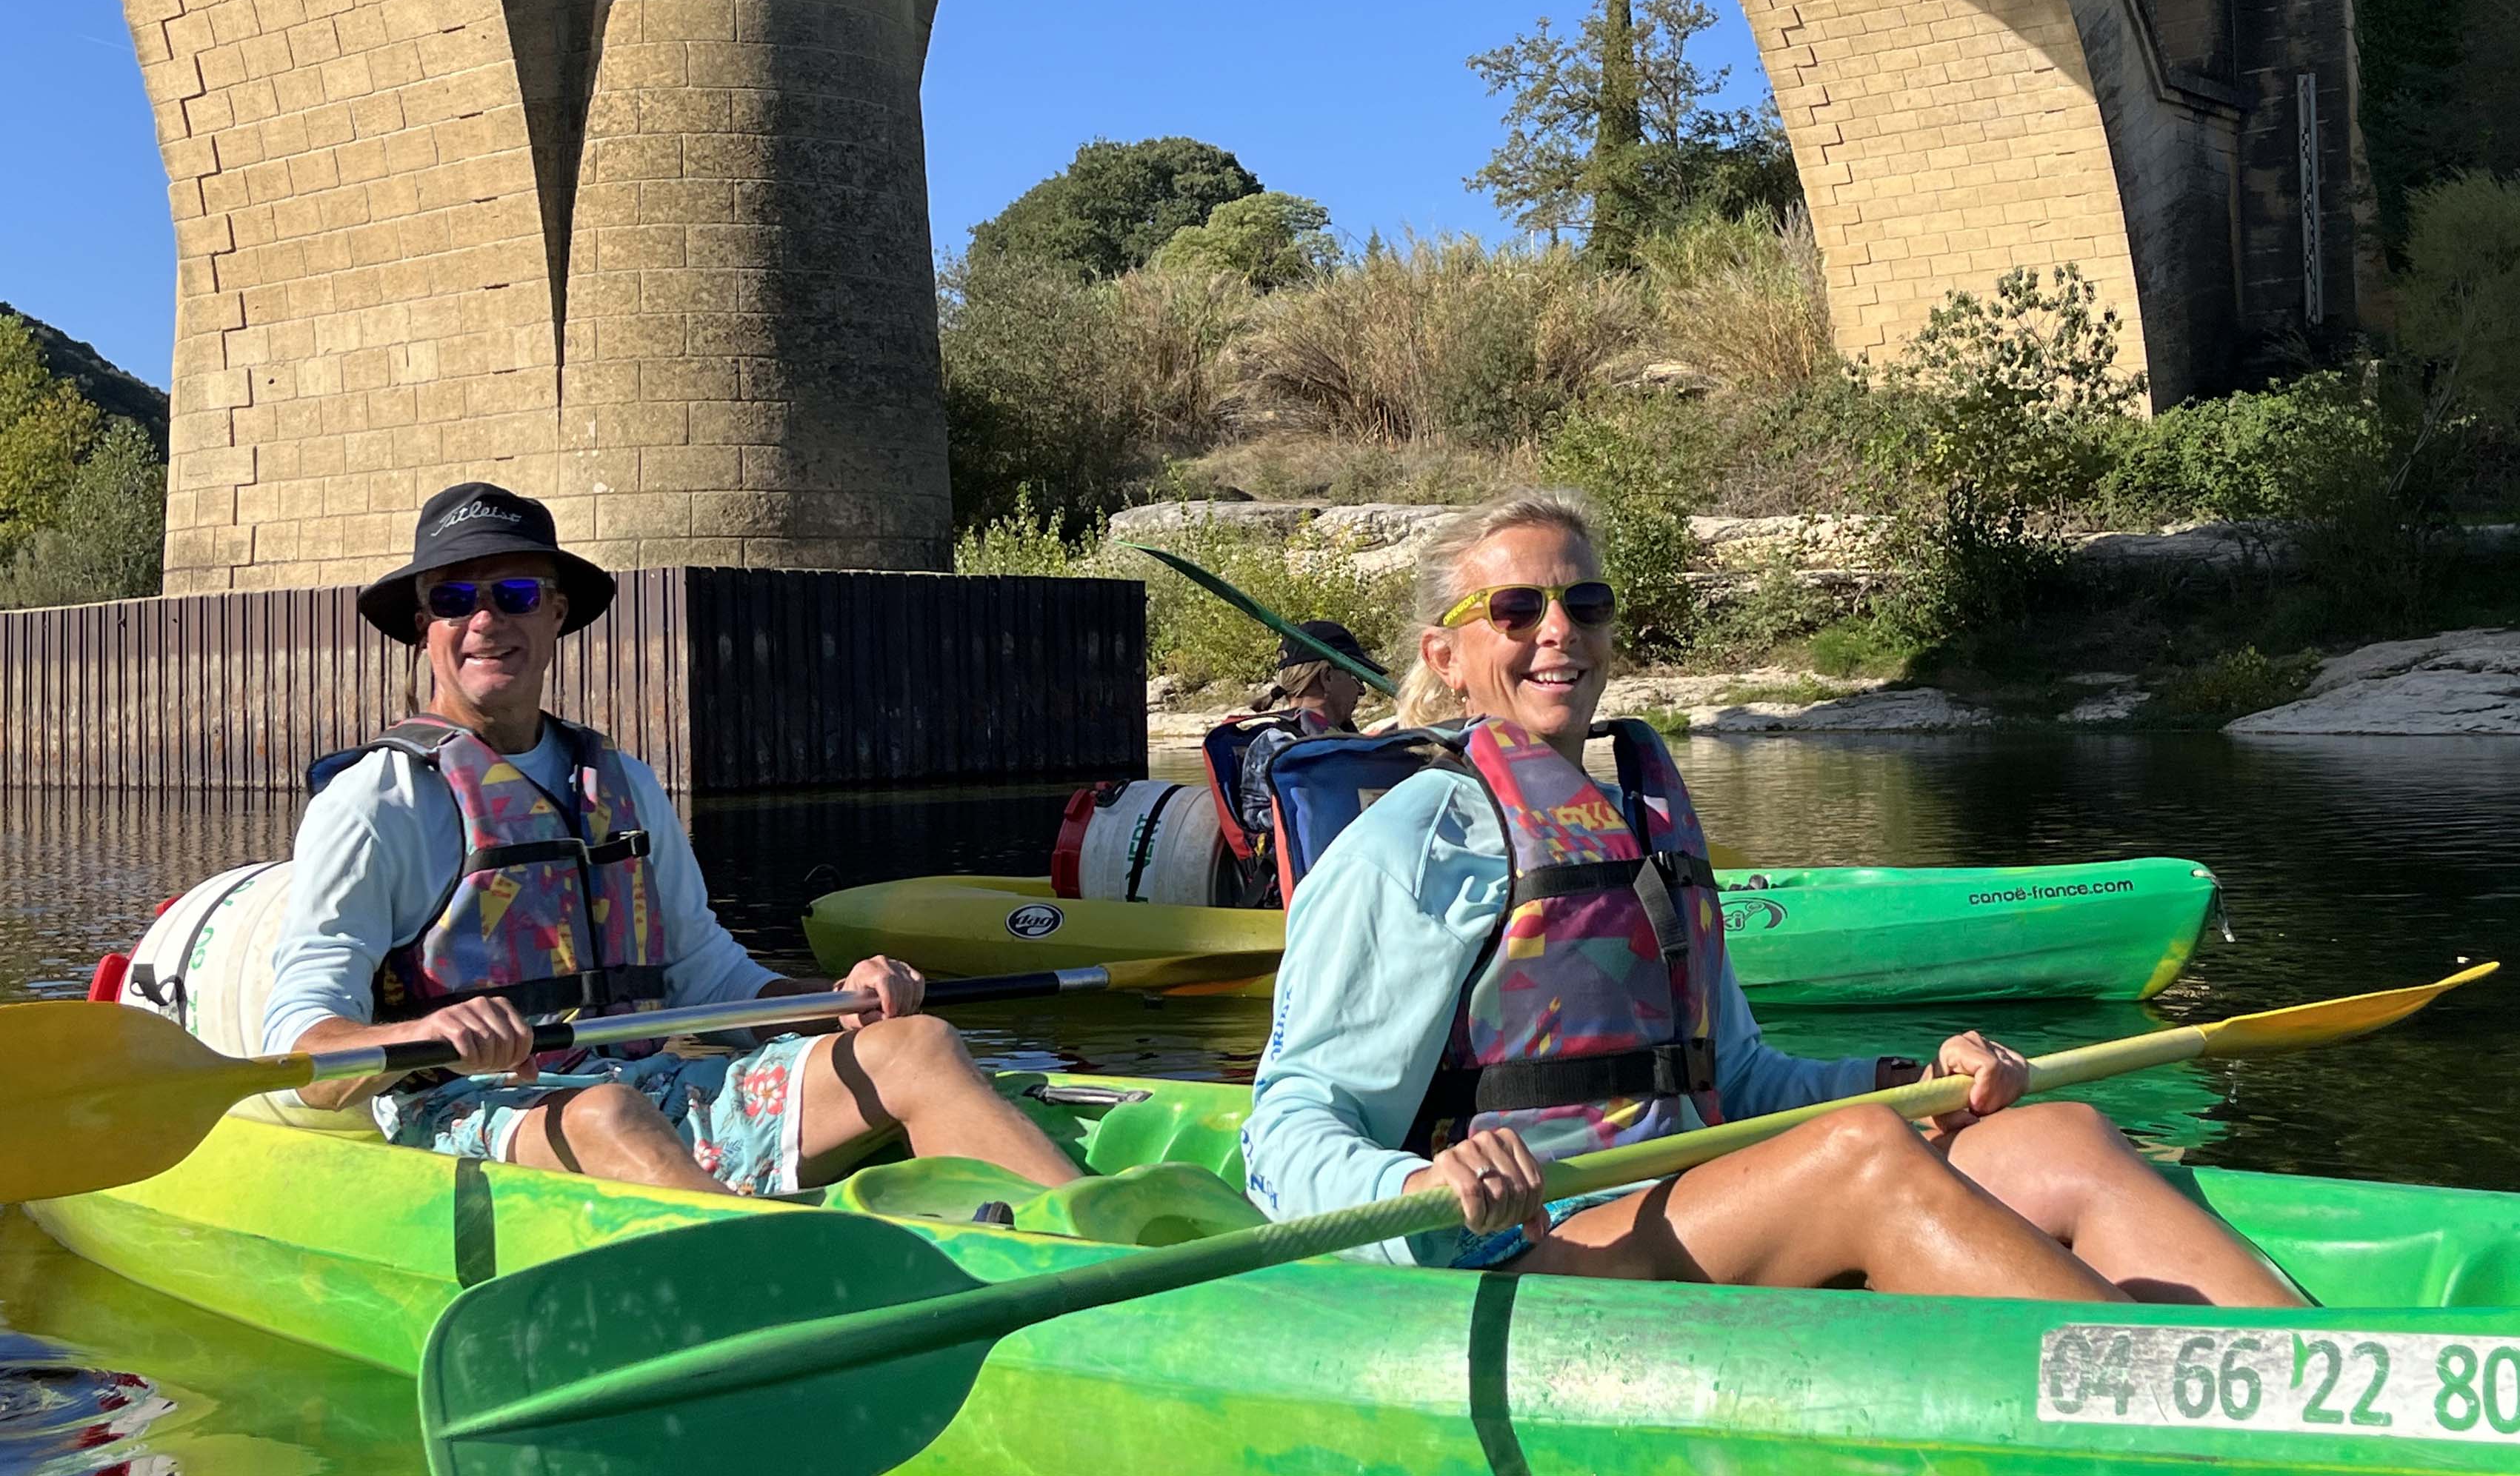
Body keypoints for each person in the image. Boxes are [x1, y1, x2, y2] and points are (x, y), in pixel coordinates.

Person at [1241, 489, 2304, 1304]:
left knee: (2056, 1132)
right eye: (1514, 608)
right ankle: (2200, 1411)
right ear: (1448, 653)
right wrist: (1414, 1192)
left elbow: (1736, 1077)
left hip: (1692, 1203)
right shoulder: (1414, 837)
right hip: (1528, 1251)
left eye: (1585, 601)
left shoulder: (1638, 819)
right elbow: (1287, 1123)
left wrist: (1909, 1076)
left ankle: (2313, 1373)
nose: (1557, 628)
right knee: (1859, 1157)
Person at [262, 481, 1079, 1198]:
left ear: (555, 613)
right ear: (423, 626)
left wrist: (839, 1002)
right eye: (453, 599)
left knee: (919, 1044)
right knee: (607, 1113)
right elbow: (304, 1043)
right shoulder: (375, 799)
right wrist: (419, 1036)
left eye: (514, 592)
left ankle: (1115, 1263)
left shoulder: (622, 782)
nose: (484, 620)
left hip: (650, 1081)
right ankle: (786, 1289)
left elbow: (708, 978)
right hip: (468, 1111)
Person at [1231, 621, 1375, 854]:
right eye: (1356, 676)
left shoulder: (1347, 737)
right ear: (1327, 677)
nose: (1362, 690)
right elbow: (1260, 821)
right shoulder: (1276, 746)